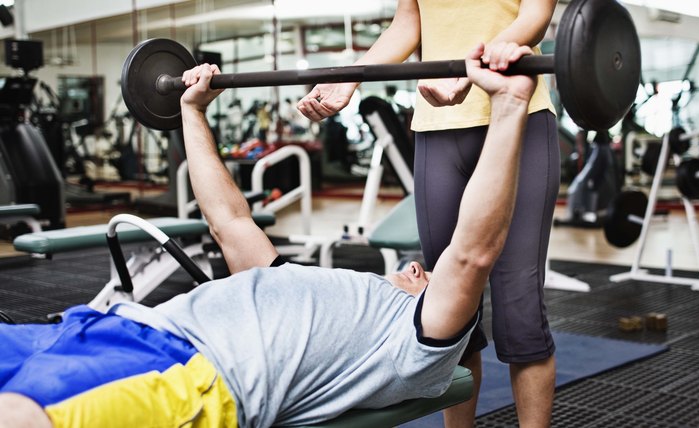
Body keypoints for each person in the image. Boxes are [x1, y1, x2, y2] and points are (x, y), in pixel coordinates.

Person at [0, 43, 536, 428]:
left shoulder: (414, 344)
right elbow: (228, 220)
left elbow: (471, 254)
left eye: (428, 274)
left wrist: (509, 107)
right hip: (103, 327)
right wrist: (190, 112)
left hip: (185, 370)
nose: (421, 265)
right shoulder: (291, 281)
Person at [297, 1, 559, 426]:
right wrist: (351, 78)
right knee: (450, 312)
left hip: (519, 114)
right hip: (437, 125)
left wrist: (474, 66)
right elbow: (409, 21)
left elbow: (534, 16)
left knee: (521, 311)